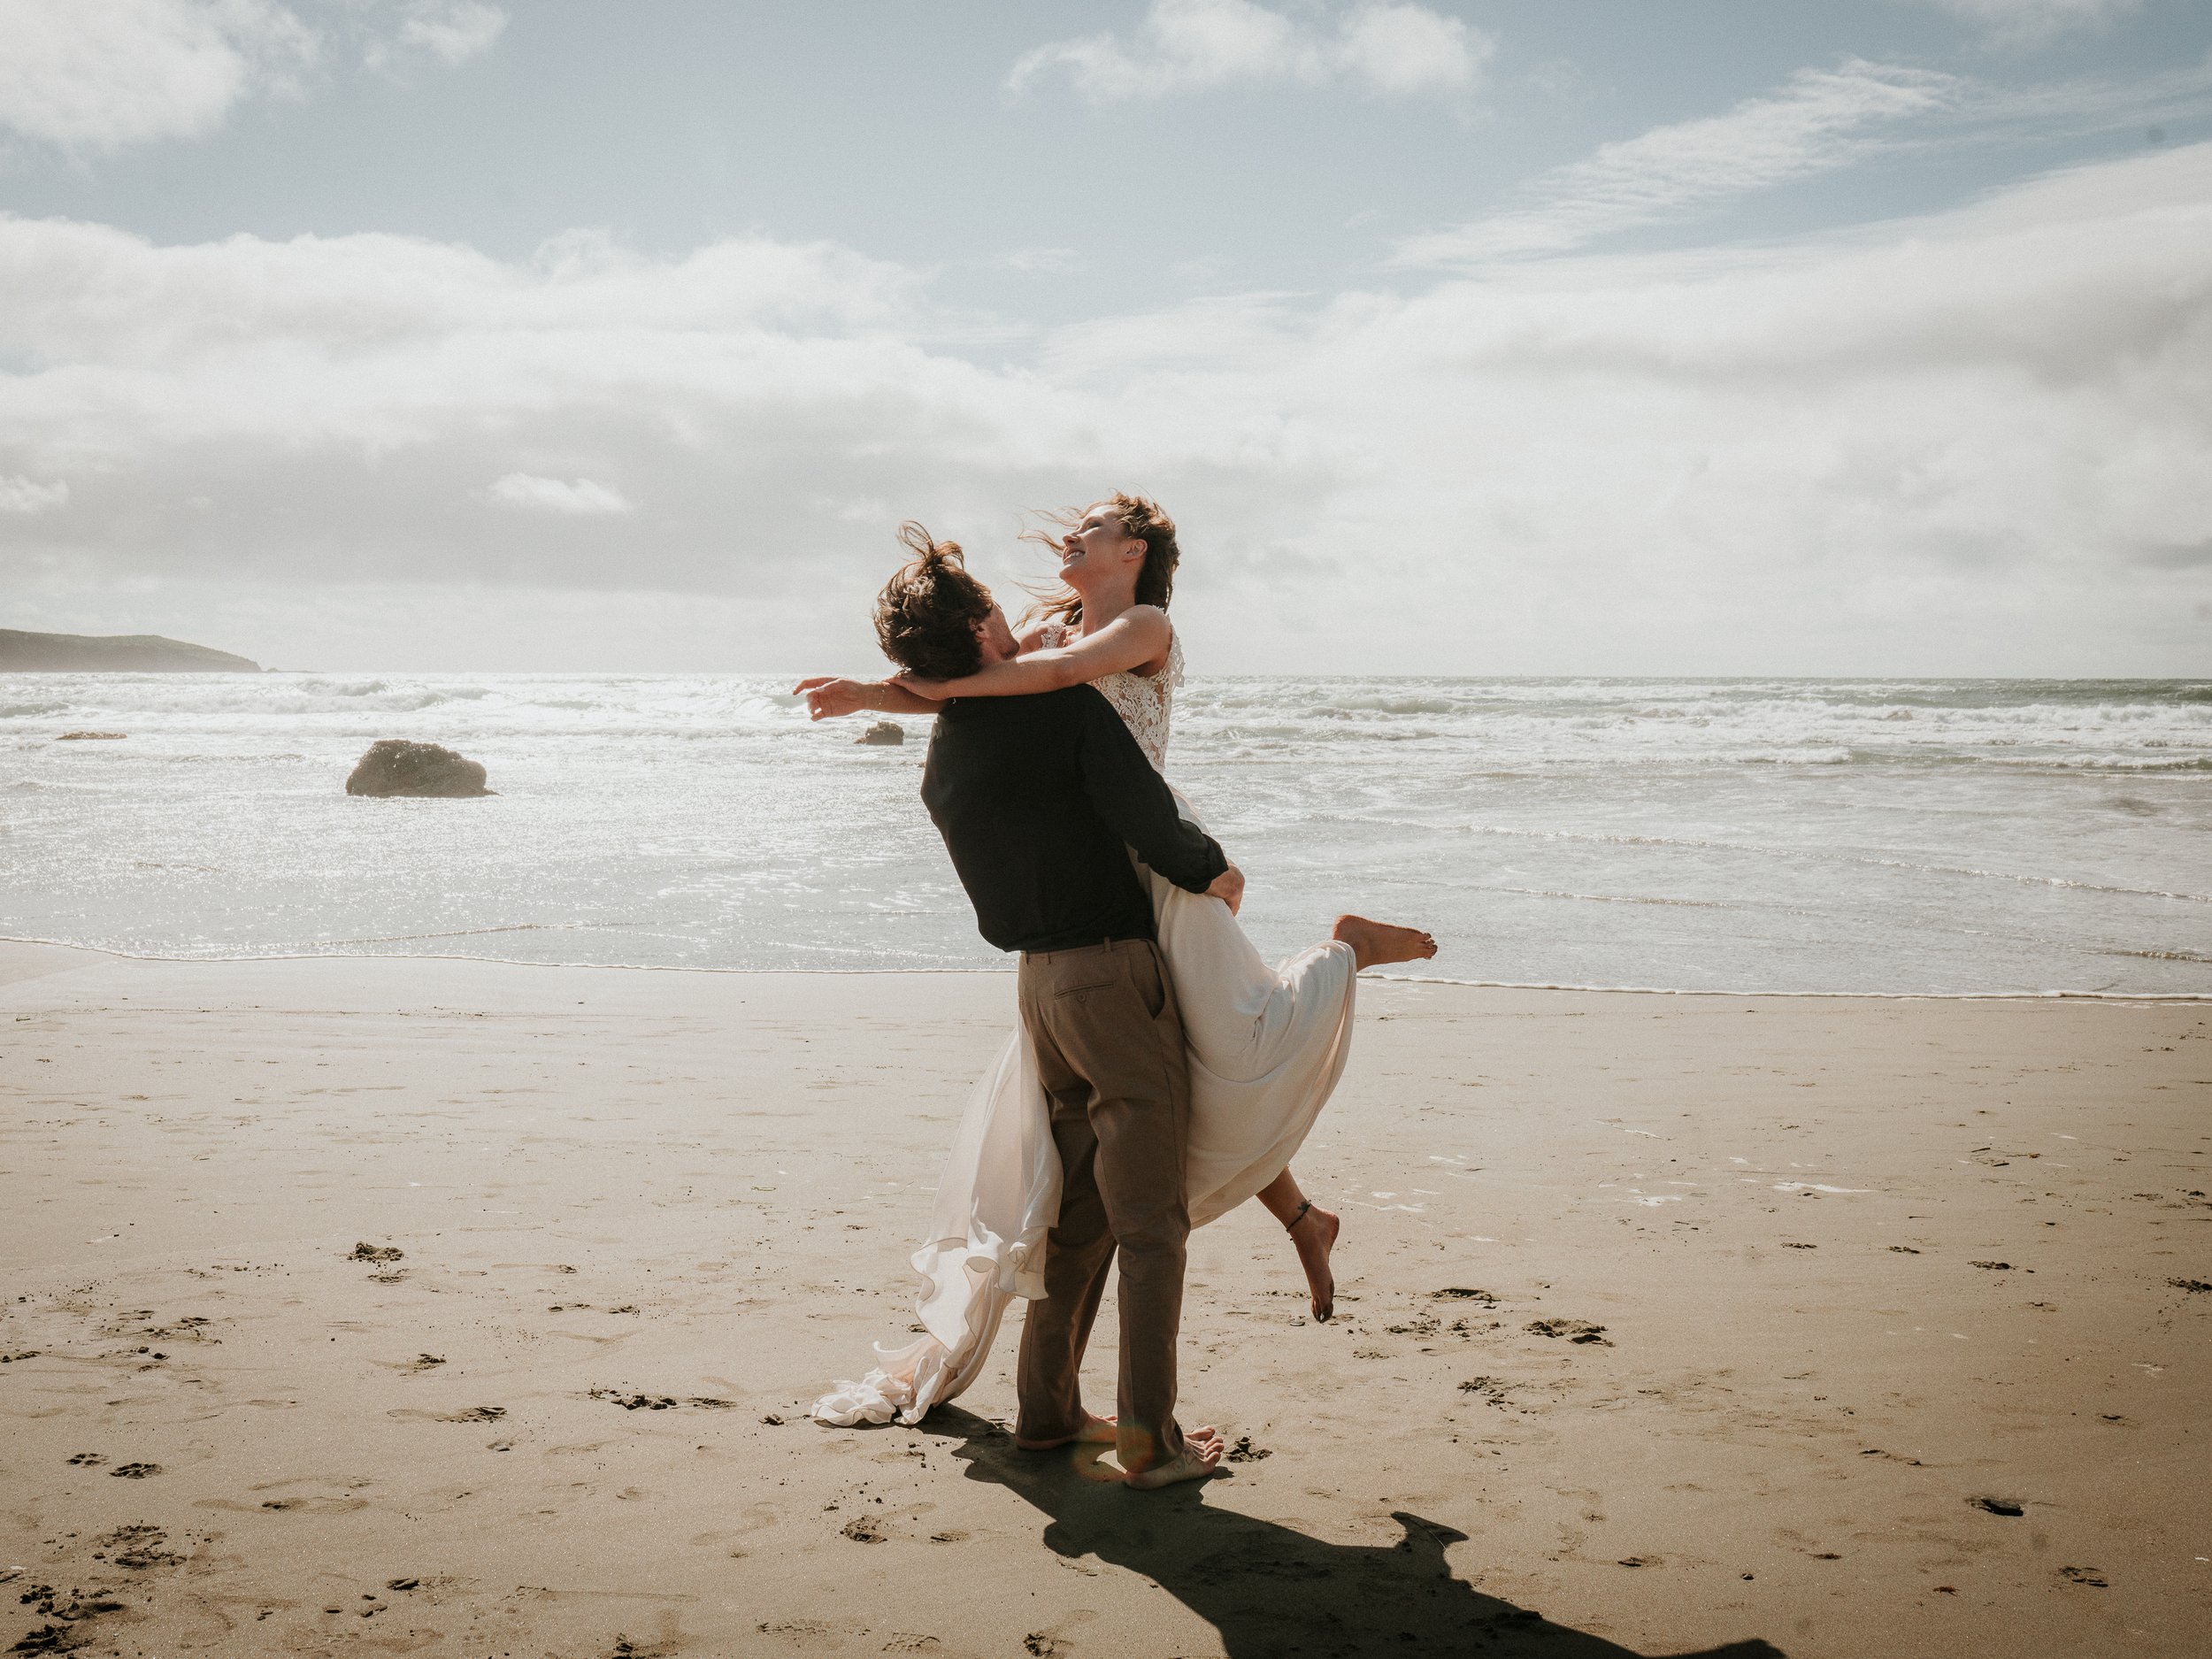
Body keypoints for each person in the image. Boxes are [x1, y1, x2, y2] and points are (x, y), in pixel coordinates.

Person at [804, 504, 1435, 1433]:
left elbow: (1011, 682)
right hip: (1118, 867)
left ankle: (1341, 974)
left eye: (1091, 528)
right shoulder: (1042, 650)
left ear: (1133, 553)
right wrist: (880, 694)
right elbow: (974, 680)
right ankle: (1289, 1229)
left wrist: (880, 691)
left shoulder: (1132, 631)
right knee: (1195, 1092)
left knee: (1223, 1048)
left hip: (1141, 858)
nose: (1068, 536)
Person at [839, 530, 1233, 1487]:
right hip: (1109, 974)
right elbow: (1149, 819)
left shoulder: (948, 750)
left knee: (1082, 1214)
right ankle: (1149, 1437)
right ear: (982, 626)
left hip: (1038, 988)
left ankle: (1048, 1412)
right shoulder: (1062, 712)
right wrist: (1214, 874)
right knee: (1150, 1223)